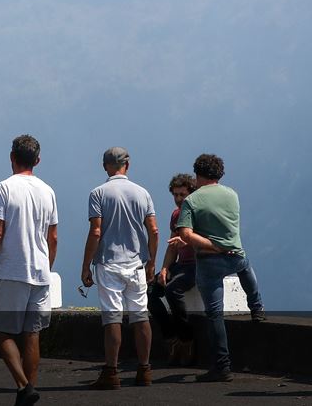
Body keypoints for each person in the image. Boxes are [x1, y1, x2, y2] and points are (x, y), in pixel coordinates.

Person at [0, 135, 58, 406]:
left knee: (0, 330)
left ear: (12, 157)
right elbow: (52, 238)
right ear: (38, 160)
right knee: (32, 334)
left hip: (12, 272)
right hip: (40, 274)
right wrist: (47, 267)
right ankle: (28, 391)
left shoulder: (4, 188)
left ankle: (22, 386)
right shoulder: (48, 190)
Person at [170, 153, 266, 383]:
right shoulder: (232, 194)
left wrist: (212, 246)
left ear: (197, 174)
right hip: (235, 254)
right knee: (245, 267)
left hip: (208, 261)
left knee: (215, 315)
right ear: (219, 174)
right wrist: (224, 246)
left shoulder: (192, 201)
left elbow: (184, 233)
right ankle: (257, 307)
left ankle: (222, 367)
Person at [81, 147, 159, 390]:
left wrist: (86, 266)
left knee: (112, 317)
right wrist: (152, 262)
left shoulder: (98, 193)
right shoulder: (142, 193)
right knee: (140, 315)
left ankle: (111, 372)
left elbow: (96, 231)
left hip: (109, 263)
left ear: (105, 166)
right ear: (128, 164)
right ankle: (144, 370)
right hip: (136, 264)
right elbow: (154, 230)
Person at [147, 173, 199, 366]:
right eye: (175, 195)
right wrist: (164, 269)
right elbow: (171, 246)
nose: (178, 199)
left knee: (172, 290)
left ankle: (187, 340)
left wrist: (185, 240)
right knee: (150, 293)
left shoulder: (198, 213)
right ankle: (171, 339)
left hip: (196, 264)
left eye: (182, 195)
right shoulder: (176, 215)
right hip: (180, 264)